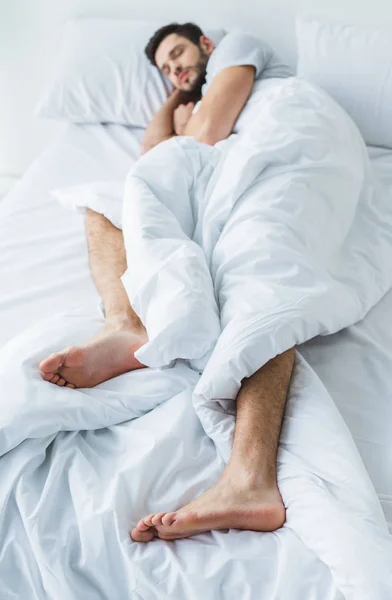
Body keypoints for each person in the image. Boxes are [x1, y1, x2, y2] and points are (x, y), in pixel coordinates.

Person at [39, 23, 295, 541]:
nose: (174, 68)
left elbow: (202, 135)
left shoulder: (239, 51)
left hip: (289, 152)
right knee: (104, 204)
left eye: (178, 54)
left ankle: (250, 479)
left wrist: (186, 107)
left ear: (206, 45)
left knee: (259, 268)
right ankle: (126, 323)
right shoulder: (189, 96)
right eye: (164, 69)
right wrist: (177, 94)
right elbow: (153, 157)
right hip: (221, 170)